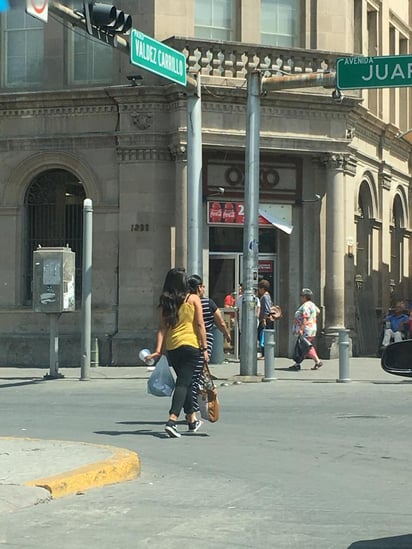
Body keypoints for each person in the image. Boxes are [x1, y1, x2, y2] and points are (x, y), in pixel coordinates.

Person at [146, 268, 208, 438]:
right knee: (183, 383)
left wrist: (158, 350)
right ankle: (172, 420)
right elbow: (200, 325)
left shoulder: (166, 302)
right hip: (191, 346)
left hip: (173, 348)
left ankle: (191, 420)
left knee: (185, 382)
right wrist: (204, 348)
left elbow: (161, 328)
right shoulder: (193, 299)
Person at [187, 275, 231, 413]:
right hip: (205, 341)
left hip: (189, 340)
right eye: (203, 286)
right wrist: (226, 334)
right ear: (198, 288)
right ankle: (193, 407)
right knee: (197, 374)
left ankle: (191, 406)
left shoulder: (186, 302)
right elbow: (220, 321)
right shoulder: (208, 303)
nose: (204, 288)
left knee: (193, 373)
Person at [289, 288, 322, 371]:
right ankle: (297, 364)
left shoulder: (306, 305)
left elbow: (305, 317)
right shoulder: (312, 305)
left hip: (306, 329)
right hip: (312, 328)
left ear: (305, 297)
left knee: (305, 346)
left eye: (302, 296)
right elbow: (318, 311)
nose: (300, 297)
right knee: (304, 346)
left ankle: (317, 361)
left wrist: (301, 328)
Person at [257, 279, 273, 357]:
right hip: (265, 319)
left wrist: (263, 319)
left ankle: (264, 354)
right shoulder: (267, 296)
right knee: (262, 336)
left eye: (259, 288)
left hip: (264, 320)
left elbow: (267, 309)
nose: (259, 290)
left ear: (262, 288)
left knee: (262, 336)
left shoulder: (265, 297)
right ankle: (264, 354)